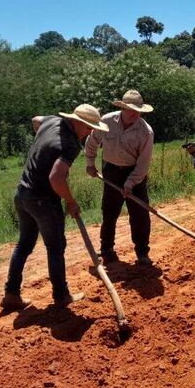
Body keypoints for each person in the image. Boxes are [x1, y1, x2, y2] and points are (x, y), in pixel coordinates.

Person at [2, 104, 109, 310]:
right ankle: (61, 295)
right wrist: (70, 201)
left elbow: (35, 119)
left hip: (22, 193)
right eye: (88, 127)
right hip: (43, 199)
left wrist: (44, 143)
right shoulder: (70, 145)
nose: (89, 132)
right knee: (56, 246)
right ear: (77, 122)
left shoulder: (51, 121)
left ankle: (11, 293)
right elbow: (56, 178)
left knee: (24, 244)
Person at [85, 90, 154, 266]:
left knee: (140, 213)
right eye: (132, 110)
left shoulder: (146, 131)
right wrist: (90, 163)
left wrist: (130, 183)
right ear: (123, 108)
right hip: (111, 172)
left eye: (138, 110)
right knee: (109, 212)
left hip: (135, 173)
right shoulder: (107, 121)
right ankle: (107, 250)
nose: (136, 114)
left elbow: (143, 164)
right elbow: (92, 141)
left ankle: (142, 252)